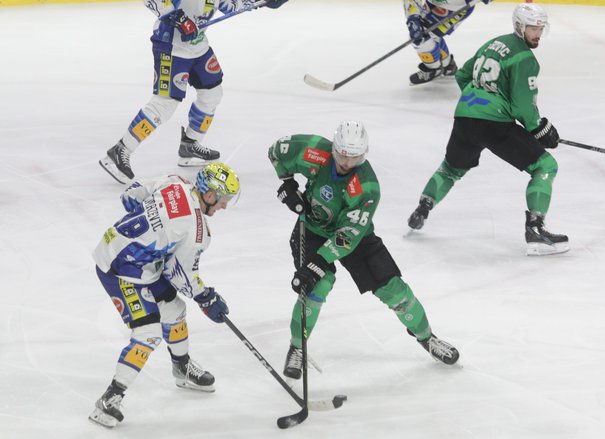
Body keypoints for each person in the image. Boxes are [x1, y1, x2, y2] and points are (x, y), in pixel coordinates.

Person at [268, 121, 460, 380]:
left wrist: (317, 263)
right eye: (342, 155)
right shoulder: (312, 150)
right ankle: (296, 347)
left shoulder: (367, 186)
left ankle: (427, 338)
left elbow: (348, 236)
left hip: (354, 239)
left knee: (393, 289)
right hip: (311, 231)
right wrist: (287, 183)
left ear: (364, 154)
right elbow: (276, 151)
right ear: (334, 148)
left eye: (355, 157)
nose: (347, 163)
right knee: (316, 286)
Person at [407, 3, 567, 256]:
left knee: (452, 168)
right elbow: (522, 107)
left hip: (465, 116)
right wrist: (540, 129)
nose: (537, 34)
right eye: (533, 28)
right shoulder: (525, 58)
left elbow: (463, 76)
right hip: (493, 124)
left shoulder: (492, 44)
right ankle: (535, 229)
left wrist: (478, 101)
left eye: (540, 28)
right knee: (545, 167)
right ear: (519, 26)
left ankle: (423, 207)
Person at [89, 162, 241, 428]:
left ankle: (182, 368)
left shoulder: (174, 182)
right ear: (208, 194)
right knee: (148, 333)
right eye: (223, 199)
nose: (224, 206)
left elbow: (131, 193)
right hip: (121, 271)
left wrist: (150, 228)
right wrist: (207, 298)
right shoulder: (196, 231)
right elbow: (180, 273)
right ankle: (109, 399)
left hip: (124, 252)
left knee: (173, 308)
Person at [99, 0, 288, 184]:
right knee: (164, 104)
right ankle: (120, 150)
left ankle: (190, 144)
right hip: (171, 45)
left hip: (198, 46)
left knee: (212, 93)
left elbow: (233, 4)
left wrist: (264, 1)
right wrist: (178, 18)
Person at [404, 0, 490, 85]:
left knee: (422, 38)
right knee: (420, 33)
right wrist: (412, 17)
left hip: (455, 6)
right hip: (433, 2)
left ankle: (434, 69)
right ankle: (447, 65)